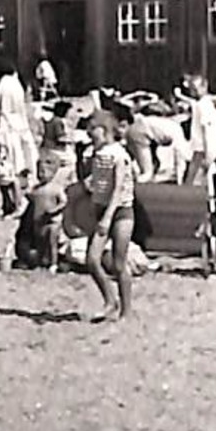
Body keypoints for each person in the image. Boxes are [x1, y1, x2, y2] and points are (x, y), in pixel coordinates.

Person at [84, 108, 136, 322]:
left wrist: (107, 217)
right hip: (101, 209)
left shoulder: (119, 155)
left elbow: (117, 189)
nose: (90, 134)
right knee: (92, 259)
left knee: (119, 263)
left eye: (93, 130)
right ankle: (109, 299)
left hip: (120, 212)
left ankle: (126, 309)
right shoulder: (97, 154)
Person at [0, 58, 39, 217]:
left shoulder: (3, 86)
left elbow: (3, 112)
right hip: (19, 129)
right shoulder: (16, 84)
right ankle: (11, 203)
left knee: (4, 171)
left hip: (6, 131)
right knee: (14, 169)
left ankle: (15, 203)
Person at [15, 149, 69, 271]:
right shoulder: (37, 188)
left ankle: (53, 263)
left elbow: (63, 201)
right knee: (40, 241)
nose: (41, 175)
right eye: (39, 172)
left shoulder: (56, 188)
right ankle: (41, 260)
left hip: (52, 221)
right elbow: (29, 197)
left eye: (44, 172)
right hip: (38, 220)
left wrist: (54, 210)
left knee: (51, 242)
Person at [181, 74, 216, 186]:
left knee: (199, 172)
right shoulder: (202, 104)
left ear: (204, 86)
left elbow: (207, 129)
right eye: (192, 89)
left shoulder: (204, 104)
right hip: (203, 145)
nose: (194, 92)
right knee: (197, 172)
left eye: (196, 88)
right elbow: (205, 129)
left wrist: (209, 151)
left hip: (207, 145)